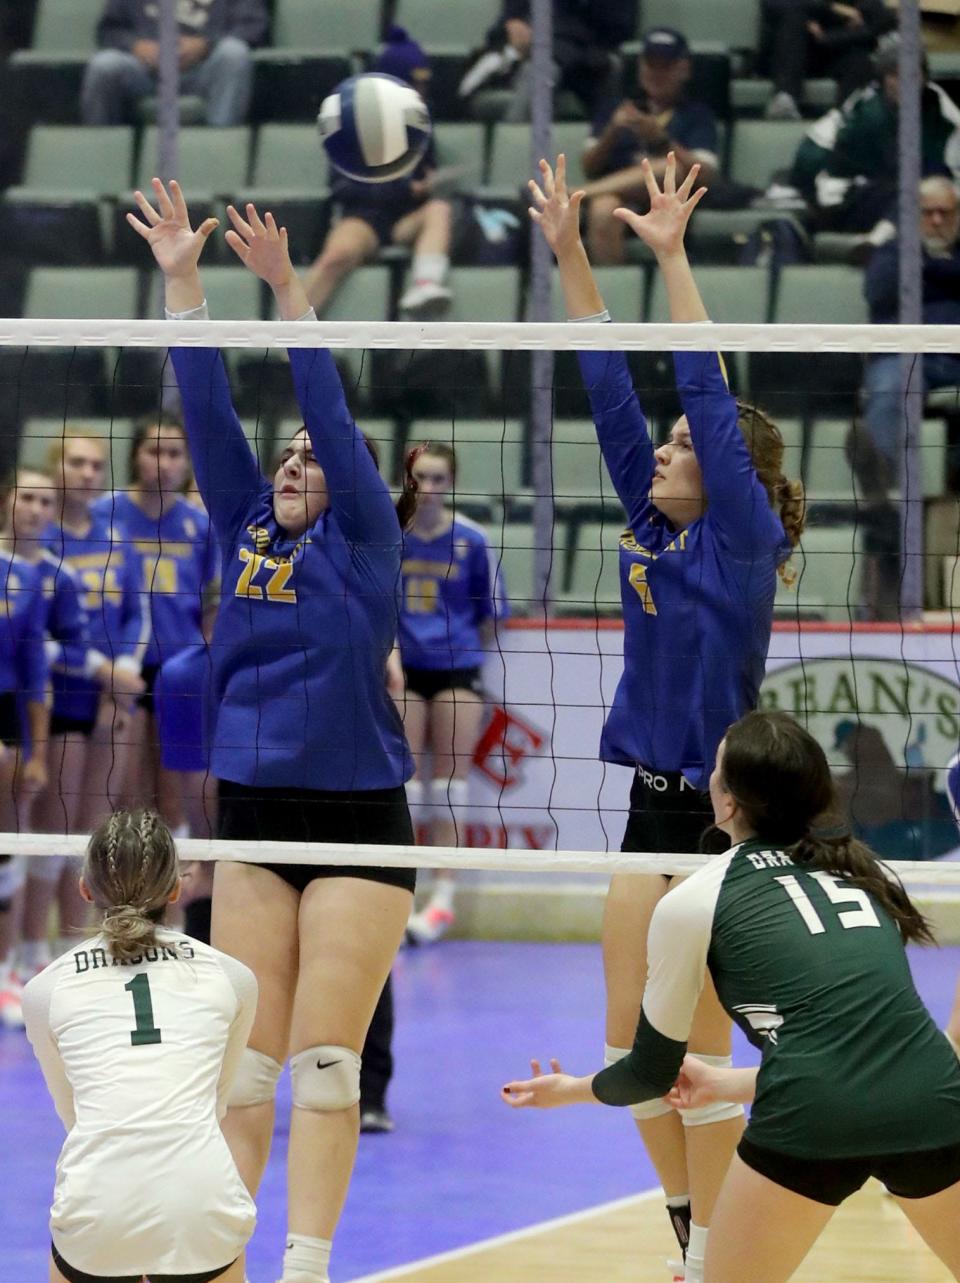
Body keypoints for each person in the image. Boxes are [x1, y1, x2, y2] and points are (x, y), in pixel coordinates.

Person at [128, 176, 415, 1283]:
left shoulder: (367, 544)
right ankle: (232, 1254)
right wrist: (186, 285)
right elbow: (204, 407)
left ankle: (310, 1262)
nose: (296, 464)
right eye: (285, 456)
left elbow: (332, 418)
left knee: (328, 1063)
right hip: (253, 811)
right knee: (248, 1066)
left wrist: (290, 292)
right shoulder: (248, 519)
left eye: (311, 460)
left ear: (350, 488)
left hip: (356, 818)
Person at [527, 153, 804, 1283]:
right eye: (674, 448)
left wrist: (676, 259)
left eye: (687, 447)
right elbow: (607, 389)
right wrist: (568, 253)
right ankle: (692, 1230)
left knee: (697, 1060)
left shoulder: (743, 542)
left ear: (732, 468)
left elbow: (698, 387)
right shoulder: (651, 523)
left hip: (726, 831)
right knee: (625, 1056)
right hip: (648, 815)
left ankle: (723, 1251)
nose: (668, 453)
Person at [503, 709, 960, 1283]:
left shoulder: (694, 901)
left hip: (814, 1114)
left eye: (714, 771)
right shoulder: (865, 873)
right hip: (933, 1096)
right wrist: (724, 1084)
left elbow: (648, 1074)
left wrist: (569, 1091)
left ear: (725, 805)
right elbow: (861, 1047)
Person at [22, 808, 257, 1283]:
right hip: (201, 1201)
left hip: (98, 1206)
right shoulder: (233, 978)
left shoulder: (45, 990)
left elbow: (74, 1114)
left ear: (85, 888)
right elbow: (214, 1104)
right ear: (177, 889)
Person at [20, 435, 148, 985]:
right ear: (55, 470)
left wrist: (120, 680)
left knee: (91, 833)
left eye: (98, 464)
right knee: (47, 829)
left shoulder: (117, 539)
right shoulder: (33, 543)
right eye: (77, 462)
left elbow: (137, 617)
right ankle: (28, 951)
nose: (90, 472)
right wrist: (97, 667)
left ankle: (75, 952)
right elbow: (28, 640)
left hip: (108, 697)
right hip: (55, 699)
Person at [396, 441, 507, 945]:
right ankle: (401, 891)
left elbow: (488, 617)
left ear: (453, 483)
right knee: (405, 787)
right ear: (408, 479)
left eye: (440, 478)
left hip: (456, 669)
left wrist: (454, 649)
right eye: (422, 477)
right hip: (402, 670)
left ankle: (442, 898)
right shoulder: (392, 534)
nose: (431, 488)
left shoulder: (471, 540)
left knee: (449, 787)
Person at [93, 412, 219, 837]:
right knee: (125, 793)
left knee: (174, 794)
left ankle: (172, 898)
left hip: (179, 668)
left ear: (187, 461)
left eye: (174, 453)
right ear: (135, 456)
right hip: (119, 670)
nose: (163, 463)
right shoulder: (104, 514)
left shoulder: (200, 525)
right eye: (153, 451)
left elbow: (212, 606)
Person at [303, 27, 454, 319]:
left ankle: (425, 285)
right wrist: (404, 187)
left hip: (406, 218)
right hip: (363, 217)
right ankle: (285, 331)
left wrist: (427, 185)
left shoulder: (420, 123)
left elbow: (425, 169)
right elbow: (343, 186)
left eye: (425, 84)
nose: (422, 91)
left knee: (439, 210)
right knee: (336, 256)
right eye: (415, 83)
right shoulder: (352, 121)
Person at [790, 33, 960, 234]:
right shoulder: (863, 110)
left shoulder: (942, 113)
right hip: (854, 200)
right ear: (883, 78)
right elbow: (811, 156)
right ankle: (881, 239)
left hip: (928, 203)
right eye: (896, 75)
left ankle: (882, 240)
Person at [581, 29, 719, 266]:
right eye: (650, 65)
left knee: (668, 168)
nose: (657, 74)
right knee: (603, 209)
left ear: (683, 69)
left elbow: (706, 174)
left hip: (671, 202)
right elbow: (589, 166)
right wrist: (611, 132)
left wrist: (661, 139)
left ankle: (577, 195)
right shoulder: (617, 108)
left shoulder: (698, 114)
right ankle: (609, 300)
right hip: (620, 193)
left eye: (665, 66)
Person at [0, 472, 51, 1027]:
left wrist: (36, 752)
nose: (35, 509)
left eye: (45, 501)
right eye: (26, 498)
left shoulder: (30, 579)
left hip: (7, 710)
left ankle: (7, 966)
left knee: (11, 837)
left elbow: (36, 670)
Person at [81, 0, 268, 127]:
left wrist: (205, 44)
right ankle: (101, 155)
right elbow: (108, 30)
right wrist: (137, 46)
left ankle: (220, 147)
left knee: (234, 52)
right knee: (104, 65)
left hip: (205, 69)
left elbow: (253, 26)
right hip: (146, 71)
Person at [484, 0, 635, 124]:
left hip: (587, 56)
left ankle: (513, 150)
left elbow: (621, 27)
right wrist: (511, 25)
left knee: (541, 72)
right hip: (522, 56)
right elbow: (504, 24)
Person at [759, 0, 895, 122]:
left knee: (859, 58)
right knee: (794, 20)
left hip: (832, 51)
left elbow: (876, 25)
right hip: (787, 54)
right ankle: (785, 98)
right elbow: (771, 5)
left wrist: (826, 37)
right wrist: (833, 8)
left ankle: (845, 120)